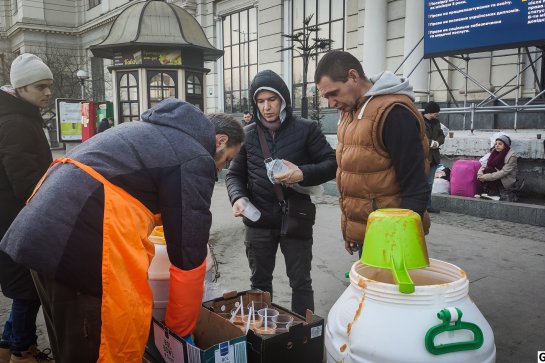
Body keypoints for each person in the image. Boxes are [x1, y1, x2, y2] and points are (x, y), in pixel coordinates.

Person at [0, 99, 244, 362]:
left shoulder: (147, 132)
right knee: (99, 346)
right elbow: (189, 253)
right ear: (219, 141)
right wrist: (178, 331)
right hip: (80, 247)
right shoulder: (194, 154)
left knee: (70, 344)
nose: (221, 169)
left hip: (42, 232)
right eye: (227, 160)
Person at [225, 70, 336, 316]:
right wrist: (238, 198)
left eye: (271, 100)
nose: (266, 107)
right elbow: (234, 175)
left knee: (301, 282)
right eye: (260, 101)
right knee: (260, 284)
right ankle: (263, 335)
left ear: (283, 99)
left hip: (296, 218)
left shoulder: (306, 129)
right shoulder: (248, 134)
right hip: (258, 221)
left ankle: (304, 336)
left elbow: (331, 163)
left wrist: (302, 173)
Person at [314, 50, 431, 255]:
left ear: (353, 76)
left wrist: (398, 241)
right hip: (370, 234)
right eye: (325, 97)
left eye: (333, 93)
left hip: (392, 240)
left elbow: (415, 188)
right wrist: (353, 231)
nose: (330, 103)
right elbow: (353, 175)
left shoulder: (394, 113)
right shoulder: (350, 112)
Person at [0, 53, 54, 363]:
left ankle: (9, 349)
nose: (47, 92)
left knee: (24, 288)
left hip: (14, 218)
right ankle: (23, 351)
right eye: (41, 87)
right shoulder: (17, 123)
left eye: (49, 86)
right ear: (21, 88)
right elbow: (25, 183)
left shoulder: (19, 115)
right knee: (27, 291)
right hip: (16, 221)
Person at [476, 134, 518, 201]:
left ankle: (495, 194)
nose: (497, 145)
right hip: (495, 174)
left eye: (500, 144)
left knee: (488, 170)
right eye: (496, 144)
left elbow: (504, 172)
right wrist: (480, 174)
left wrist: (486, 177)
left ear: (505, 145)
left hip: (505, 178)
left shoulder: (512, 156)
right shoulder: (494, 152)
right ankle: (482, 192)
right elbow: (485, 165)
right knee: (487, 169)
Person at [422, 101, 445, 214]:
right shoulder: (420, 121)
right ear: (431, 112)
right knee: (423, 182)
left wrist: (437, 143)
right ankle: (422, 205)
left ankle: (427, 205)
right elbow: (420, 136)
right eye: (436, 112)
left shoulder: (436, 122)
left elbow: (442, 135)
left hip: (434, 157)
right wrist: (431, 143)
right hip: (423, 157)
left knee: (430, 183)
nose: (438, 114)